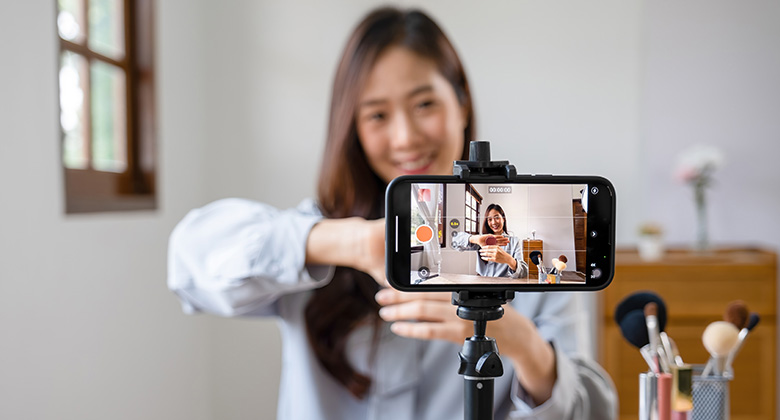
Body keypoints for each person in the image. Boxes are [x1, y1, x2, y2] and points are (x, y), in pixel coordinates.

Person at [167, 7, 617, 420]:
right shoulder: (320, 234)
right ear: (354, 129)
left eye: (424, 104)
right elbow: (189, 262)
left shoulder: (530, 272)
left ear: (461, 102)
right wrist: (357, 244)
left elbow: (593, 412)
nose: (405, 137)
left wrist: (520, 342)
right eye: (377, 115)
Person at [452, 203, 528, 278]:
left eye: (497, 217)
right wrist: (475, 239)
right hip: (482, 284)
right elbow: (455, 242)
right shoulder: (482, 240)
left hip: (504, 285)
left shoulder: (514, 241)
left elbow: (524, 272)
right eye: (490, 219)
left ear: (503, 219)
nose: (494, 222)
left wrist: (509, 260)